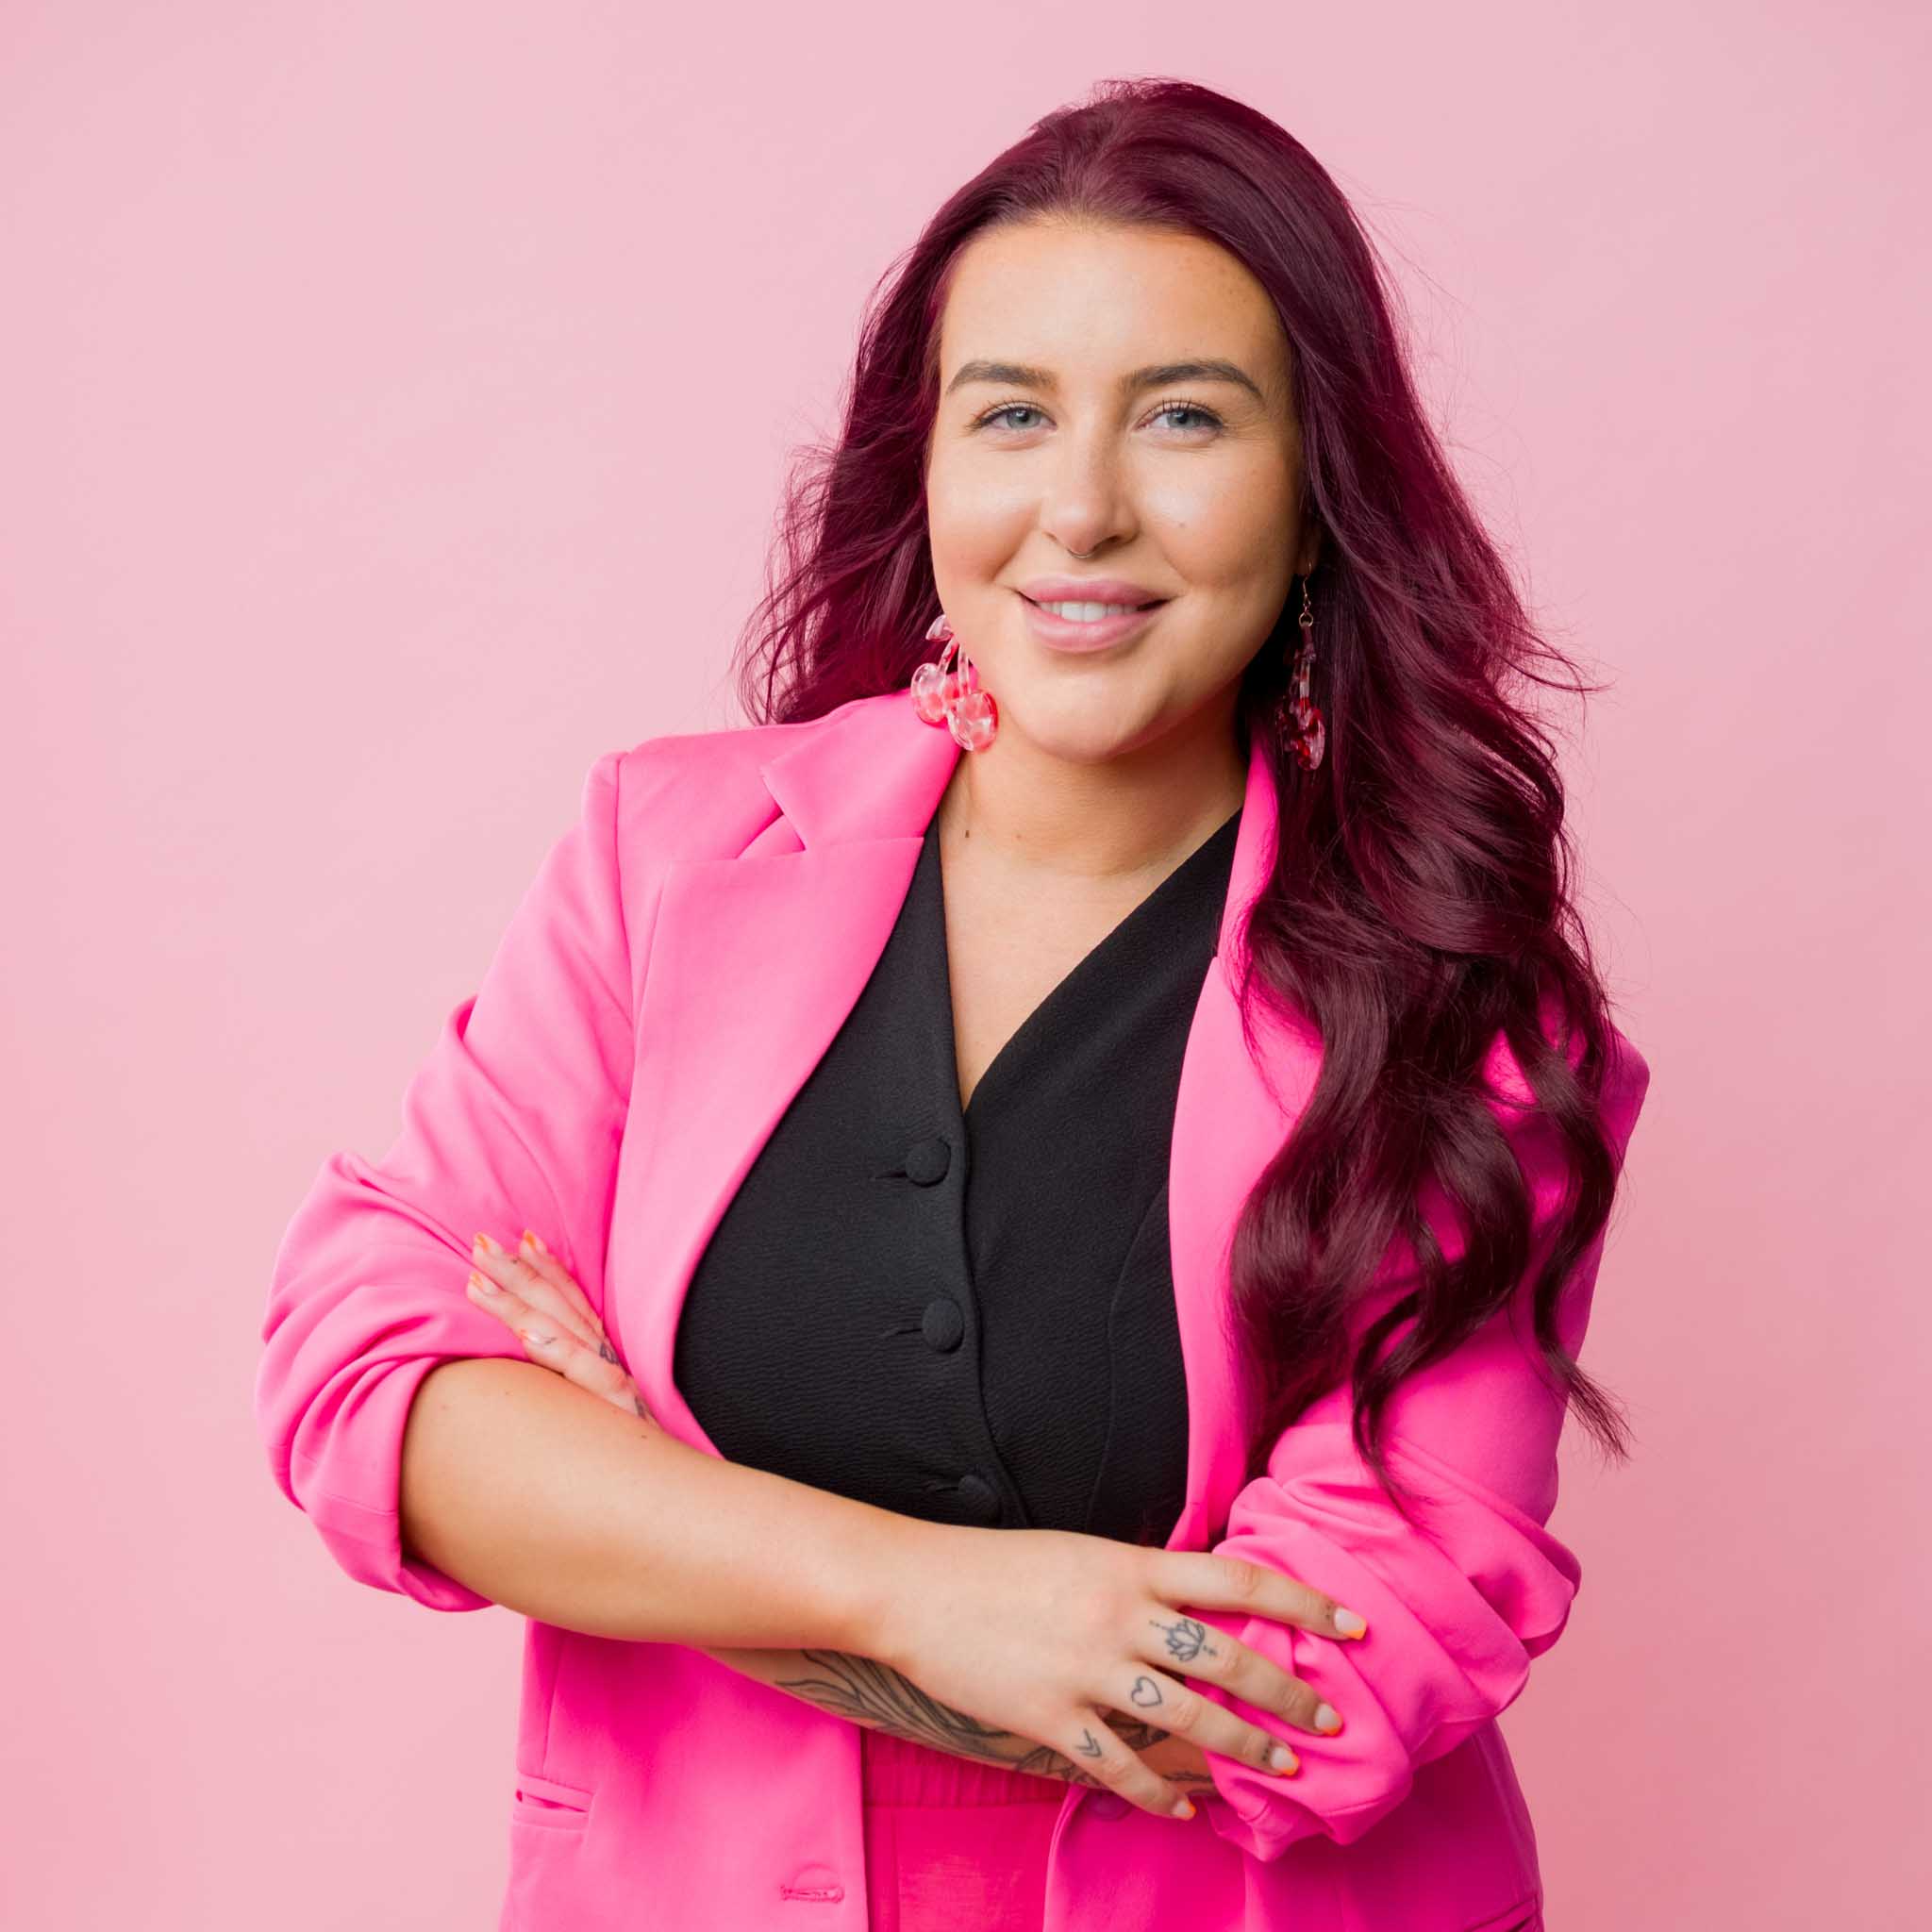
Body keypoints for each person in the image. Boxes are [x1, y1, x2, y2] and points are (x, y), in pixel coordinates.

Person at [254, 75, 1650, 1932]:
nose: (1081, 507)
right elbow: (367, 1380)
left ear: (1318, 495)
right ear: (925, 469)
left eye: (1182, 416)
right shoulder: (666, 855)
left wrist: (649, 1506)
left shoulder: (1462, 1010)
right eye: (1011, 414)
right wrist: (917, 1597)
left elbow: (1303, 1695)